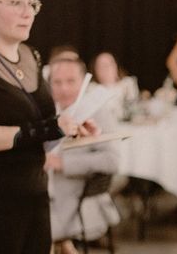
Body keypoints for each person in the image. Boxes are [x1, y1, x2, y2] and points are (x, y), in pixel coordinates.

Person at [0, 0, 97, 254]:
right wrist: (48, 128)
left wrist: (72, 129)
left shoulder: (32, 56)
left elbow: (39, 127)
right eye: (16, 3)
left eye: (32, 3)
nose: (27, 12)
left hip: (35, 197)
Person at [47, 58, 120, 254]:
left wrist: (62, 163)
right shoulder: (45, 111)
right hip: (41, 191)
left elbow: (112, 161)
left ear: (83, 82)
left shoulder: (99, 112)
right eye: (57, 82)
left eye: (70, 81)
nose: (63, 89)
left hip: (77, 198)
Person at [89, 51, 139, 121]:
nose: (106, 69)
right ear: (95, 70)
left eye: (109, 64)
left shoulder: (127, 84)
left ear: (116, 66)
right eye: (101, 66)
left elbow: (135, 108)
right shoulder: (91, 89)